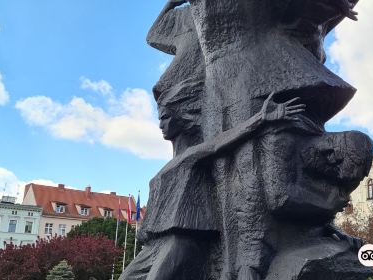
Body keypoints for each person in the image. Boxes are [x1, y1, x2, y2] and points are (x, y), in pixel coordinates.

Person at [121, 92, 306, 280]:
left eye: (165, 117)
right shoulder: (165, 168)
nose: (161, 124)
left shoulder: (191, 155)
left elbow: (216, 144)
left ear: (180, 118)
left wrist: (260, 118)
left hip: (179, 239)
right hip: (153, 244)